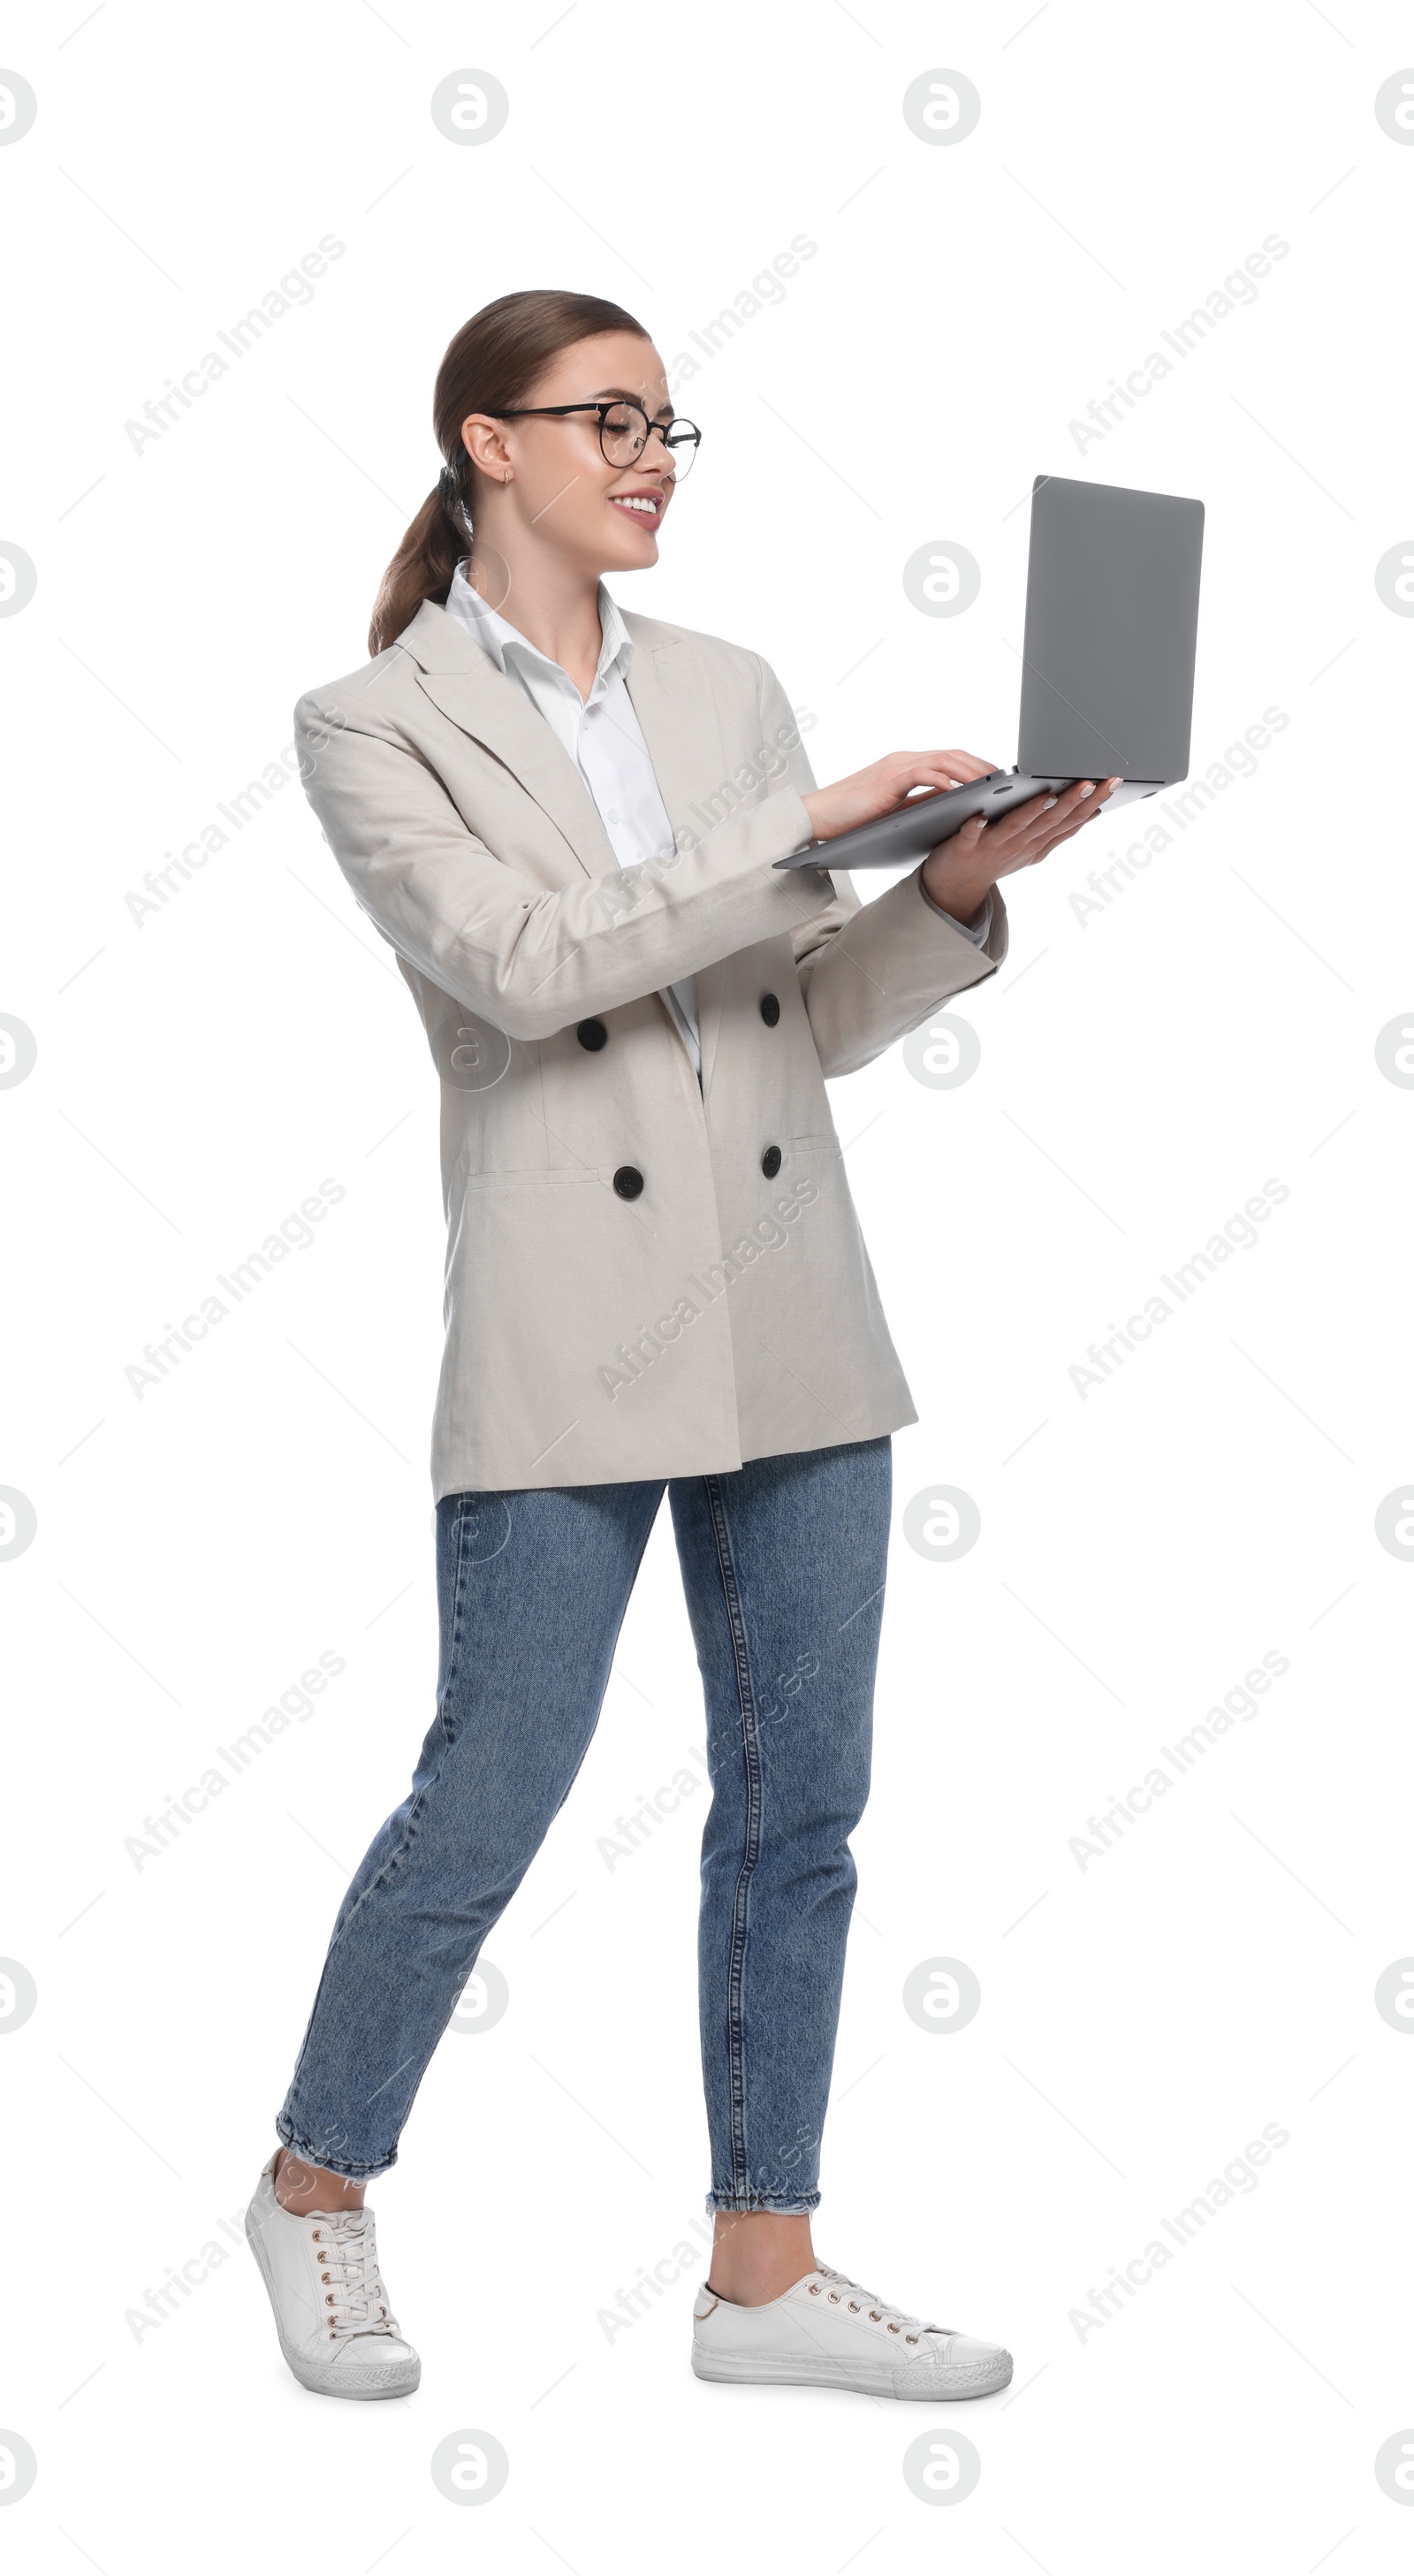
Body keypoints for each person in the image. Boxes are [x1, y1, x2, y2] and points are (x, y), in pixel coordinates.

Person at [244, 287, 1117, 2404]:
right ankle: (315, 2186)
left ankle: (760, 2264)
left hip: (794, 1309)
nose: (648, 452)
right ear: (486, 444)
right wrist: (795, 831)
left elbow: (792, 1015)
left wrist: (943, 894)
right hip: (568, 1327)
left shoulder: (726, 689)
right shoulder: (371, 722)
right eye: (604, 416)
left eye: (666, 421)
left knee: (798, 1800)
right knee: (493, 1785)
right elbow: (529, 969)